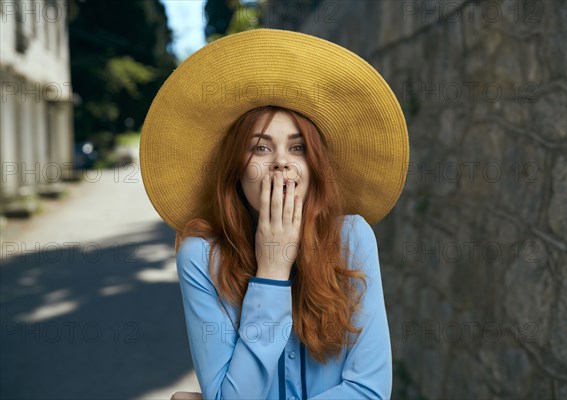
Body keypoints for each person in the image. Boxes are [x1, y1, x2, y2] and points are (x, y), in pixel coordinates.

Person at [140, 28, 409, 400]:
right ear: (236, 169)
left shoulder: (352, 238)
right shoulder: (201, 258)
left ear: (314, 167)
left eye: (297, 148)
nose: (282, 162)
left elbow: (369, 390)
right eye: (261, 148)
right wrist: (272, 271)